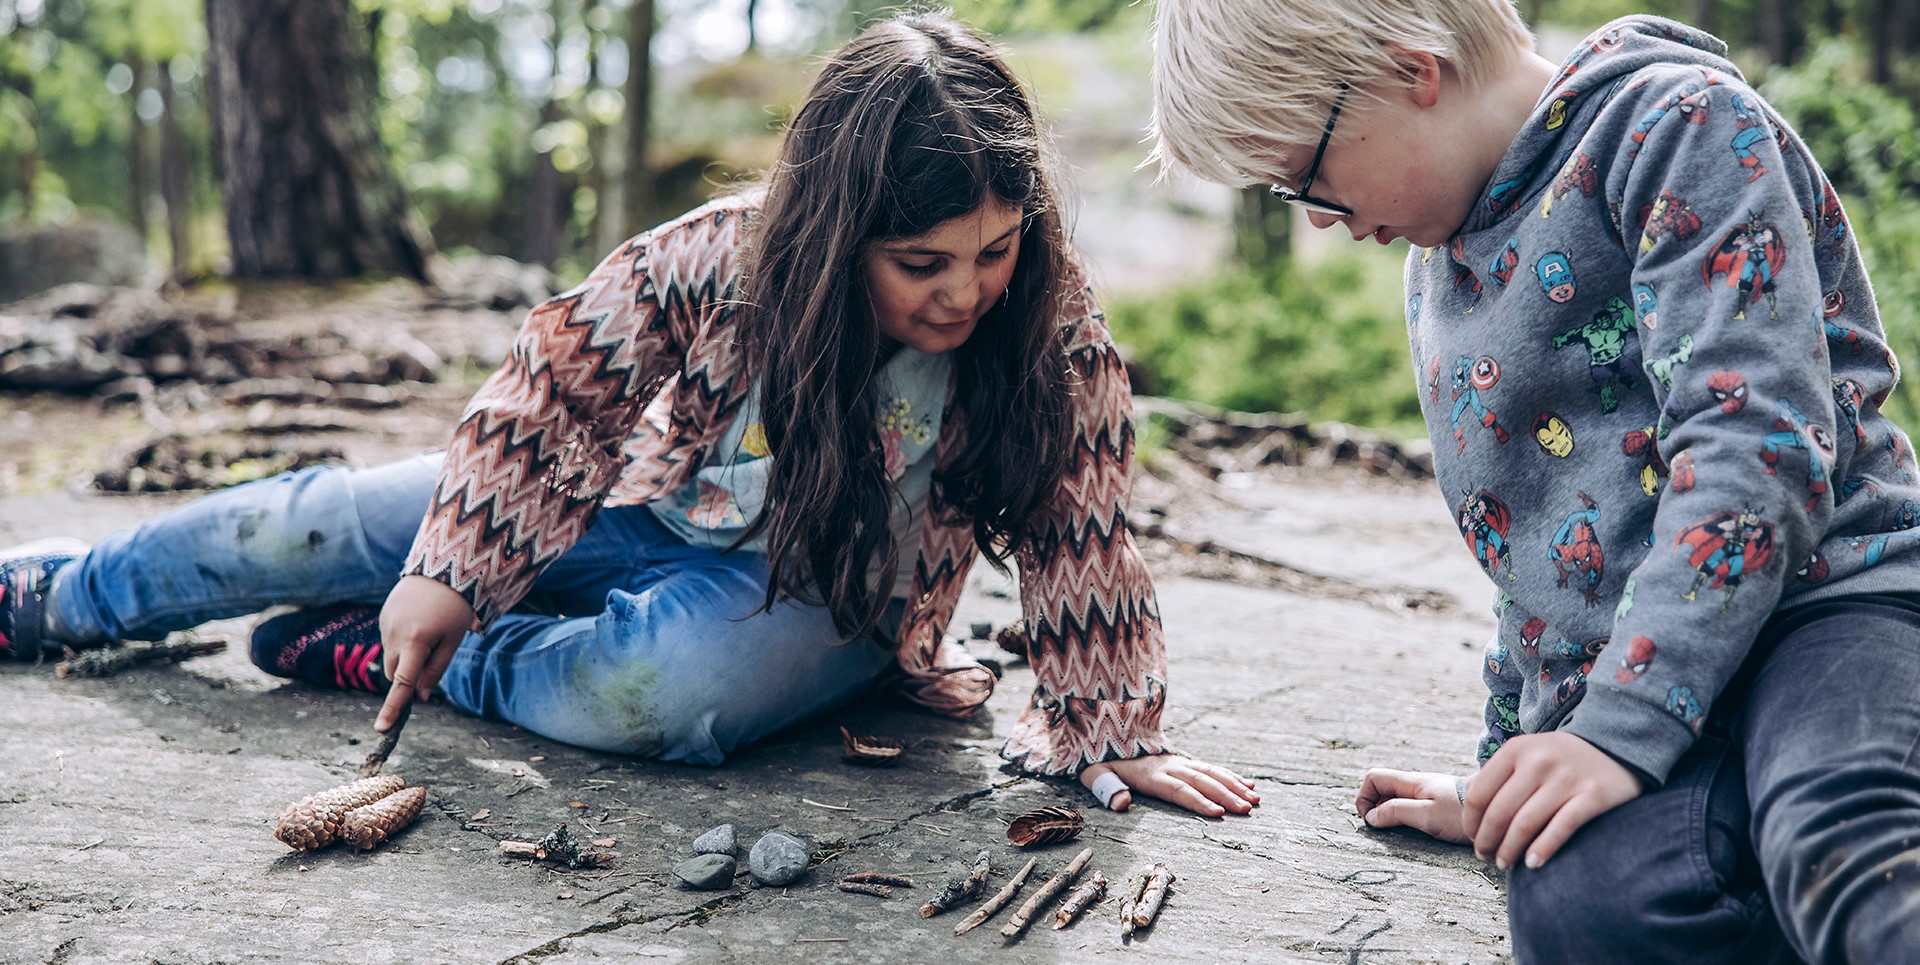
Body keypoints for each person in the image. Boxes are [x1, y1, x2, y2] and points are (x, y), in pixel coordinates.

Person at [0, 13, 1258, 820]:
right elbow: (556, 394)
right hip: (635, 508)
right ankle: (64, 596)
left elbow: (1079, 523)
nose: (965, 292)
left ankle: (429, 661)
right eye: (921, 263)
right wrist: (453, 565)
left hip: (826, 597)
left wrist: (1110, 726)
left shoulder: (1048, 330)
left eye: (991, 249)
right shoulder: (720, 257)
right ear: (832, 235)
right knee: (316, 519)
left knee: (662, 690)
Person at [1150, 2, 1920, 961]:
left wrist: (1620, 729)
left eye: (1308, 177)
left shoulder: (1677, 128)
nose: (1319, 218)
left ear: (1408, 71)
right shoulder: (1439, 268)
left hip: (1824, 609)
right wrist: (1506, 776)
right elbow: (1536, 547)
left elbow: (1753, 448)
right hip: (1629, 682)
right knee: (1579, 900)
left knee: (1841, 839)